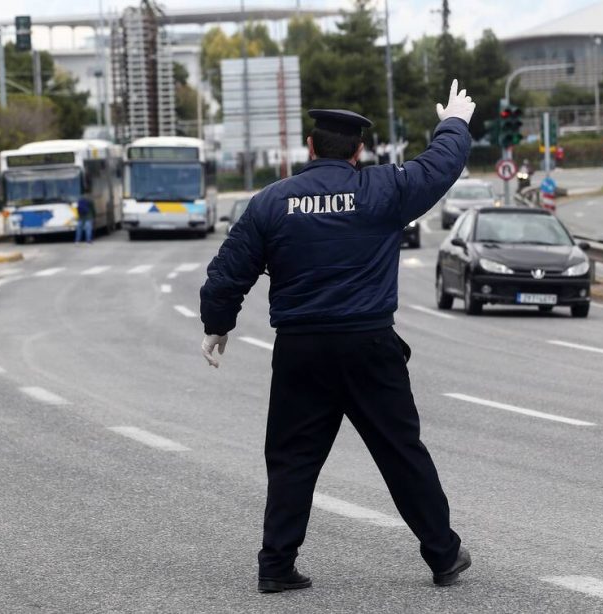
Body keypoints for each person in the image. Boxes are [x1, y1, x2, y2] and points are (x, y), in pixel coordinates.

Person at [199, 80, 476, 594]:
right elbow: (439, 166)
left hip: (301, 350)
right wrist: (453, 123)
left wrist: (218, 324)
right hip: (368, 344)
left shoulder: (270, 202)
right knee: (401, 453)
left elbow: (228, 271)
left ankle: (276, 565)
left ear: (309, 148)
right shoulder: (383, 189)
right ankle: (442, 555)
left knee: (292, 458)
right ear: (358, 151)